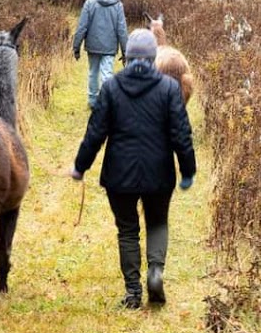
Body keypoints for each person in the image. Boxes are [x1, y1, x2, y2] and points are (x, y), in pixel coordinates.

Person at [69, 28, 196, 308]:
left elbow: (95, 133)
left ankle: (133, 293)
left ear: (126, 57)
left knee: (127, 231)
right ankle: (155, 271)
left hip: (119, 176)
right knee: (157, 222)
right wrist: (187, 171)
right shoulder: (169, 88)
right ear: (153, 58)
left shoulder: (111, 87)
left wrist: (80, 166)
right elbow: (181, 134)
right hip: (159, 174)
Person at [72, 0, 129, 109]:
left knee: (93, 72)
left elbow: (82, 27)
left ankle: (92, 101)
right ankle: (107, 102)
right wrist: (125, 50)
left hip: (93, 45)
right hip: (109, 47)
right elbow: (122, 30)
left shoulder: (90, 3)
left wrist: (76, 46)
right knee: (107, 73)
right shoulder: (118, 5)